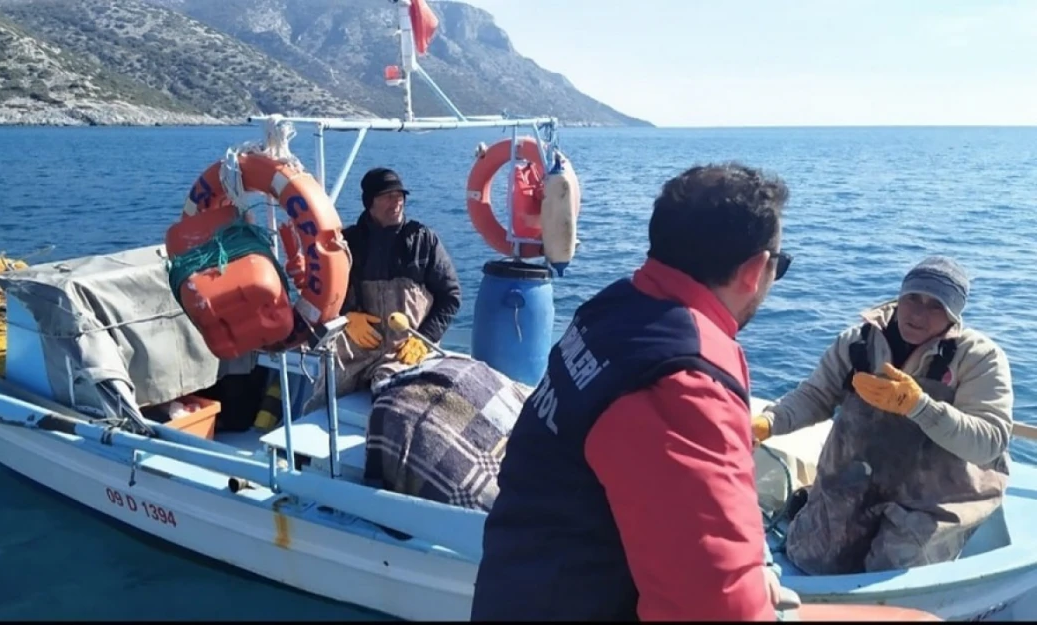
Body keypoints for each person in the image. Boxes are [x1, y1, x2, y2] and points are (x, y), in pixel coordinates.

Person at [471, 162, 797, 621]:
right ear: (755, 270)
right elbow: (718, 610)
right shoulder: (684, 385)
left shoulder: (613, 310)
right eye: (778, 267)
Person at [752, 256, 1013, 575]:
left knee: (889, 569)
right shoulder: (858, 343)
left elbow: (990, 442)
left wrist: (921, 407)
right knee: (811, 560)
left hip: (934, 498)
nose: (918, 313)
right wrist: (768, 422)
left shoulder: (979, 358)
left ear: (954, 314)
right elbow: (815, 395)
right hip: (856, 481)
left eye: (936, 305)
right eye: (913, 298)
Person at [302, 167, 461, 410]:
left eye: (400, 195)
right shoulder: (348, 242)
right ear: (369, 203)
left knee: (391, 399)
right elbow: (328, 293)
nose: (396, 202)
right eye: (388, 196)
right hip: (358, 347)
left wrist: (426, 339)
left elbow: (450, 297)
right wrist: (348, 315)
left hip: (405, 349)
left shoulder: (424, 240)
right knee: (323, 399)